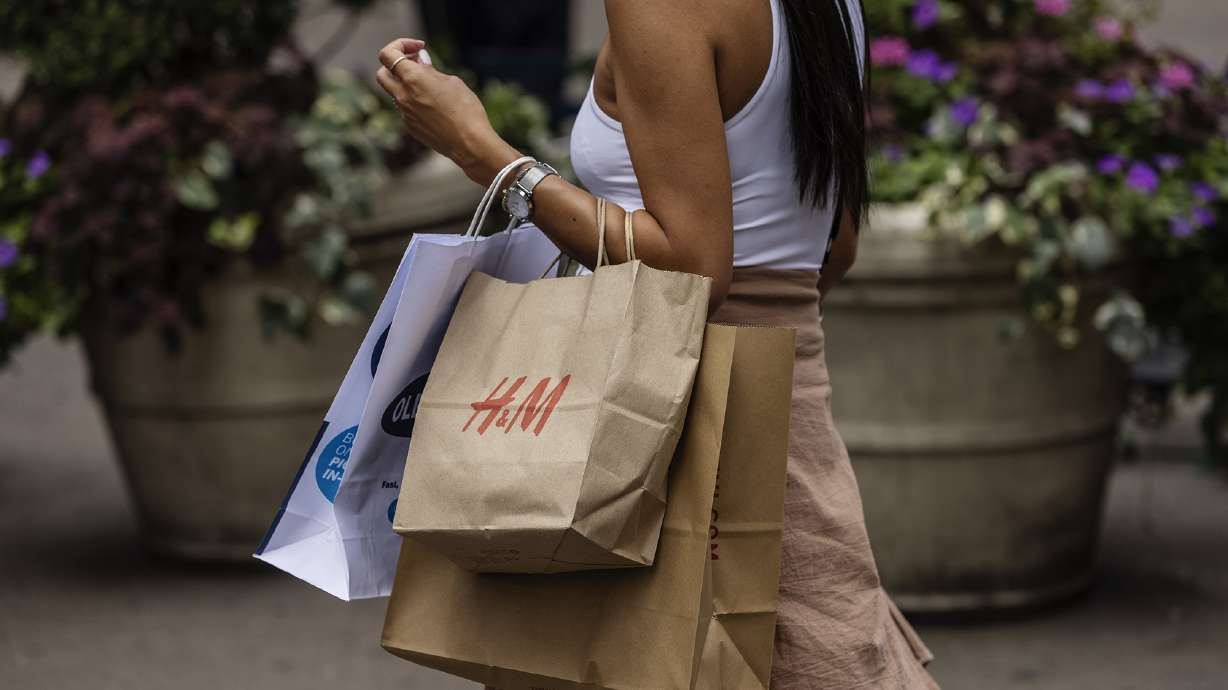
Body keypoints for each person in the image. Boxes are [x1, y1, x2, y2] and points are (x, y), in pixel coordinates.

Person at [375, 0, 939, 687]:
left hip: (662, 409)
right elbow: (836, 243)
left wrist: (482, 150)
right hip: (785, 399)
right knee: (812, 639)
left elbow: (696, 268)